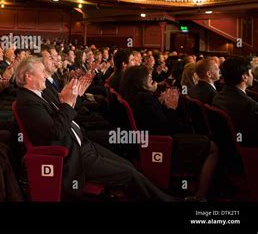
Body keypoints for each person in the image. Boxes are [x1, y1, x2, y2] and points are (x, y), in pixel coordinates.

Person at [15, 56, 175, 201]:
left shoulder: (39, 93)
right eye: (41, 72)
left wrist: (75, 97)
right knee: (130, 174)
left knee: (128, 165)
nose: (45, 75)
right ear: (29, 76)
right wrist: (66, 103)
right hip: (73, 156)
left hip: (83, 143)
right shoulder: (27, 102)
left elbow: (66, 115)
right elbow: (55, 132)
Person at [120, 65, 218, 200]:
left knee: (201, 139)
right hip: (162, 144)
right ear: (139, 81)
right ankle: (201, 196)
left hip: (151, 140)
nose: (152, 80)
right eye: (148, 78)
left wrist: (160, 104)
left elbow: (155, 120)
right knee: (213, 147)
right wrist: (171, 108)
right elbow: (166, 128)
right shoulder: (145, 98)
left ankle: (193, 186)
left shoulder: (135, 95)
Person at [212, 56, 258, 147]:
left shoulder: (218, 96)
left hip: (226, 144)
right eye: (250, 73)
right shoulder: (249, 105)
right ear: (244, 77)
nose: (252, 76)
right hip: (247, 147)